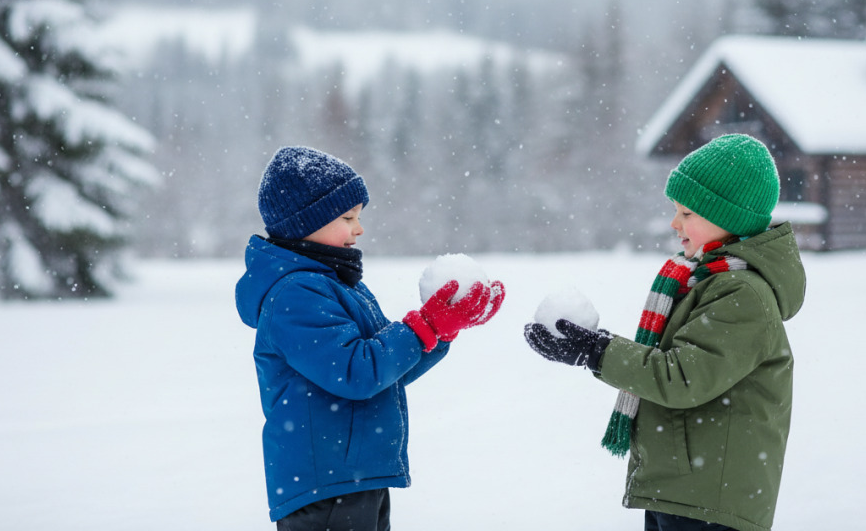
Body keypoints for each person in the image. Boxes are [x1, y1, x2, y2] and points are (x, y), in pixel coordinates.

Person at [524, 133, 805, 531]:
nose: (675, 223)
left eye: (687, 213)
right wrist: (592, 348)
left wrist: (597, 352)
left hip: (710, 500)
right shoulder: (701, 280)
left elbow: (681, 377)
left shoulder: (742, 294)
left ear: (727, 217)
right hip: (684, 487)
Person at [236, 146, 505, 530]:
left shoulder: (337, 286)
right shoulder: (295, 295)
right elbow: (357, 373)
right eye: (348, 217)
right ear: (305, 223)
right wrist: (424, 325)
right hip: (325, 485)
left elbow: (385, 373)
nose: (359, 229)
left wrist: (441, 330)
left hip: (356, 475)